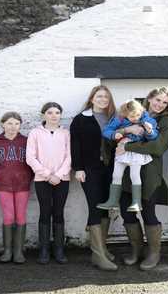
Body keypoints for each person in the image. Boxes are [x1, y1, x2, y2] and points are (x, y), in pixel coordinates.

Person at [116, 87, 168, 271]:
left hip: (149, 173)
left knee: (148, 213)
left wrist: (129, 147)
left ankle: (154, 253)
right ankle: (136, 250)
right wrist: (127, 129)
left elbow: (157, 147)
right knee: (127, 213)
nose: (160, 105)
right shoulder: (133, 111)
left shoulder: (165, 121)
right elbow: (115, 133)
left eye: (164, 102)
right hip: (126, 171)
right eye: (157, 100)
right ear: (150, 98)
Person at [70, 85, 118, 271]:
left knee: (106, 207)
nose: (103, 99)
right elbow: (75, 145)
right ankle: (97, 255)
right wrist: (78, 168)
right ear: (92, 98)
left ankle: (102, 249)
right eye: (99, 96)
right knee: (95, 207)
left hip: (110, 169)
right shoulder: (81, 119)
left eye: (106, 97)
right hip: (89, 170)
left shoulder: (113, 118)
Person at [0, 112, 33, 264]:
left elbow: (33, 161)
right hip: (3, 184)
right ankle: (7, 251)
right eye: (10, 123)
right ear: (3, 124)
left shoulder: (27, 141)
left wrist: (29, 177)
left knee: (21, 216)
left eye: (16, 124)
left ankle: (18, 252)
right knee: (8, 216)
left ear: (20, 125)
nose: (13, 127)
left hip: (23, 184)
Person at [26, 102, 71, 264]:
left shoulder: (65, 133)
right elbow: (30, 157)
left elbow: (69, 157)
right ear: (43, 115)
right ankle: (44, 250)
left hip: (62, 179)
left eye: (57, 112)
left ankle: (59, 249)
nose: (54, 115)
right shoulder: (35, 133)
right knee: (45, 212)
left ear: (61, 115)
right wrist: (47, 175)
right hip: (42, 179)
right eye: (50, 112)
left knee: (58, 212)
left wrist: (58, 175)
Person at [97, 100, 158, 212]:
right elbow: (106, 131)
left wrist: (150, 131)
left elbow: (153, 137)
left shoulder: (147, 120)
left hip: (136, 152)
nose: (135, 118)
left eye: (137, 115)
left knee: (134, 175)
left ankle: (136, 203)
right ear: (125, 114)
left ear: (141, 111)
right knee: (116, 175)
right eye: (132, 116)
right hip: (121, 150)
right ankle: (113, 201)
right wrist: (116, 134)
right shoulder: (120, 119)